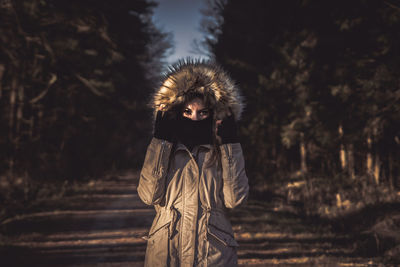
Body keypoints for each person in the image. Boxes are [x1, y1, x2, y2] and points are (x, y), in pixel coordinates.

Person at [138, 60, 249, 267]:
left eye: (202, 113)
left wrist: (230, 143)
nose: (194, 118)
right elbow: (148, 195)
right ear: (176, 112)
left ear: (213, 114)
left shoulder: (222, 152)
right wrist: (160, 141)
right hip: (166, 254)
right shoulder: (165, 149)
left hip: (213, 255)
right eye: (187, 112)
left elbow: (235, 200)